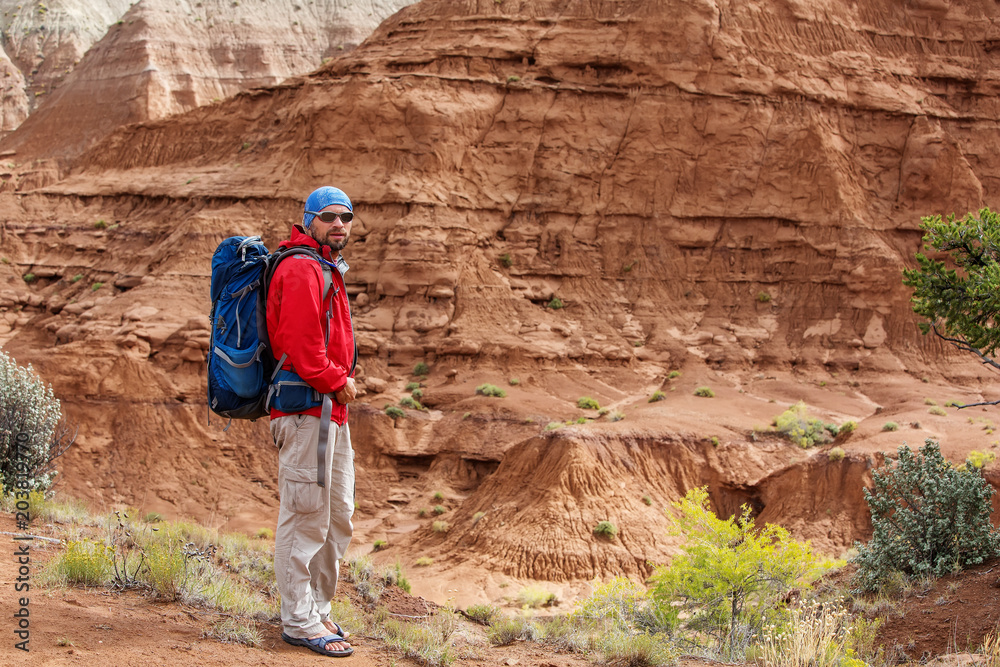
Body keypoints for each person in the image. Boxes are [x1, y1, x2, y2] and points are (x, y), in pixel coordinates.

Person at [267, 185, 358, 658]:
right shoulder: (302, 268)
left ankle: (316, 608)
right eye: (329, 216)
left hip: (329, 411)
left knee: (337, 515)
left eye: (346, 216)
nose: (339, 223)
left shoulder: (324, 267)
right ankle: (298, 621)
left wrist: (338, 386)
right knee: (305, 515)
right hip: (306, 411)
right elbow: (303, 348)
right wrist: (337, 379)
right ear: (308, 220)